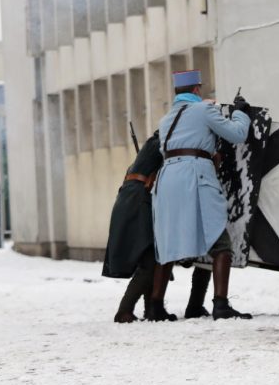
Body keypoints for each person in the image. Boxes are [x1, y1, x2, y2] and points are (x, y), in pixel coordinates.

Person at [153, 70, 252, 320]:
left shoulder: (166, 119)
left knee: (168, 241)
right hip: (194, 175)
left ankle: (155, 306)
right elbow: (237, 133)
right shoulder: (203, 111)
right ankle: (221, 305)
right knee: (220, 243)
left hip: (167, 179)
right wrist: (241, 111)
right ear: (197, 89)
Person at [102, 130, 212, 322]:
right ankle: (124, 311)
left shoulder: (158, 144)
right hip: (140, 201)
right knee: (151, 258)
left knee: (152, 256)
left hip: (137, 199)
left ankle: (150, 310)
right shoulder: (166, 142)